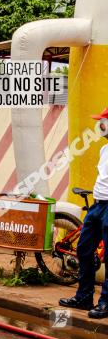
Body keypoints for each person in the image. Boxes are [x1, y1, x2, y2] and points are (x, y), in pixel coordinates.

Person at [60, 108, 108, 319]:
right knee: (84, 249)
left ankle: (105, 302)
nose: (100, 125)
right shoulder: (104, 149)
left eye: (103, 121)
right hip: (97, 206)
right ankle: (84, 297)